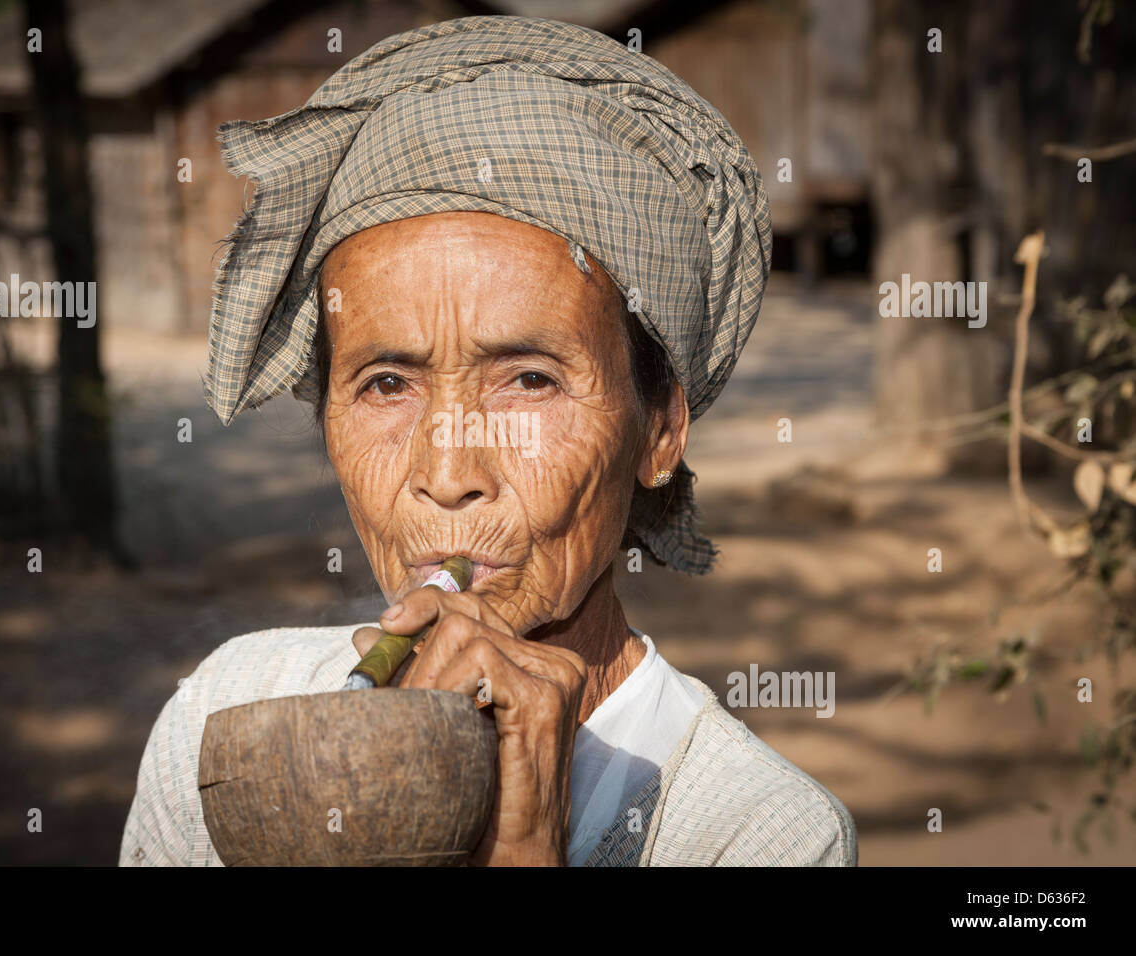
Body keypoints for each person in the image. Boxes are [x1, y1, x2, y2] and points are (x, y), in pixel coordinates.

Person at [121, 14, 855, 867]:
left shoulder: (755, 834)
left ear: (660, 429)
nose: (447, 473)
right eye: (386, 384)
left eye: (529, 380)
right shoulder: (227, 721)